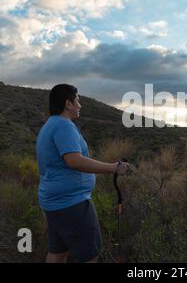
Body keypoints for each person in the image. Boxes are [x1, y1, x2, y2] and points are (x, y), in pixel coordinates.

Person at [36, 84, 128, 263]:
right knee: (89, 257)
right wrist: (113, 167)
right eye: (77, 101)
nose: (80, 105)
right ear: (68, 104)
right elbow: (74, 161)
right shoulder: (64, 126)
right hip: (72, 203)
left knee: (58, 252)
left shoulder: (51, 124)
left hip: (54, 203)